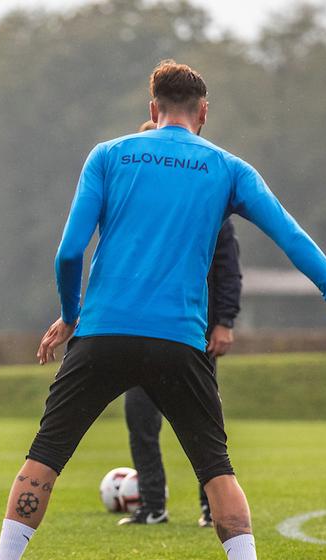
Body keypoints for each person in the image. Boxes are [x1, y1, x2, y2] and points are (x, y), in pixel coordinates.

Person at [0, 60, 326, 560]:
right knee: (216, 470)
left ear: (152, 106)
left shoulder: (108, 155)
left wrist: (71, 314)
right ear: (203, 112)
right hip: (179, 343)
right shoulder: (227, 168)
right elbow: (292, 236)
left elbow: (66, 254)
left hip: (101, 335)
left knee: (44, 459)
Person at [119, 123, 242, 528]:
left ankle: (211, 506)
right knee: (140, 417)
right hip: (139, 331)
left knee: (201, 424)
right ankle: (153, 506)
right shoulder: (133, 211)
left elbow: (228, 269)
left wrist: (223, 322)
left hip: (194, 333)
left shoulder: (207, 206)